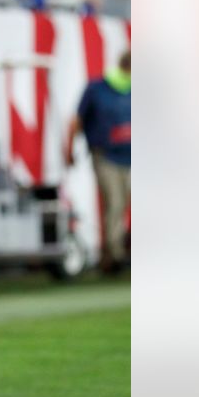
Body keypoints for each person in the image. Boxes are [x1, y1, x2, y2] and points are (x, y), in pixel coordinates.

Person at [65, 50, 131, 273]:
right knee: (115, 203)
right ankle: (115, 255)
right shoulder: (97, 88)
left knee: (124, 204)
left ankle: (119, 249)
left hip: (131, 156)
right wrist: (70, 149)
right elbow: (77, 120)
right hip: (106, 156)